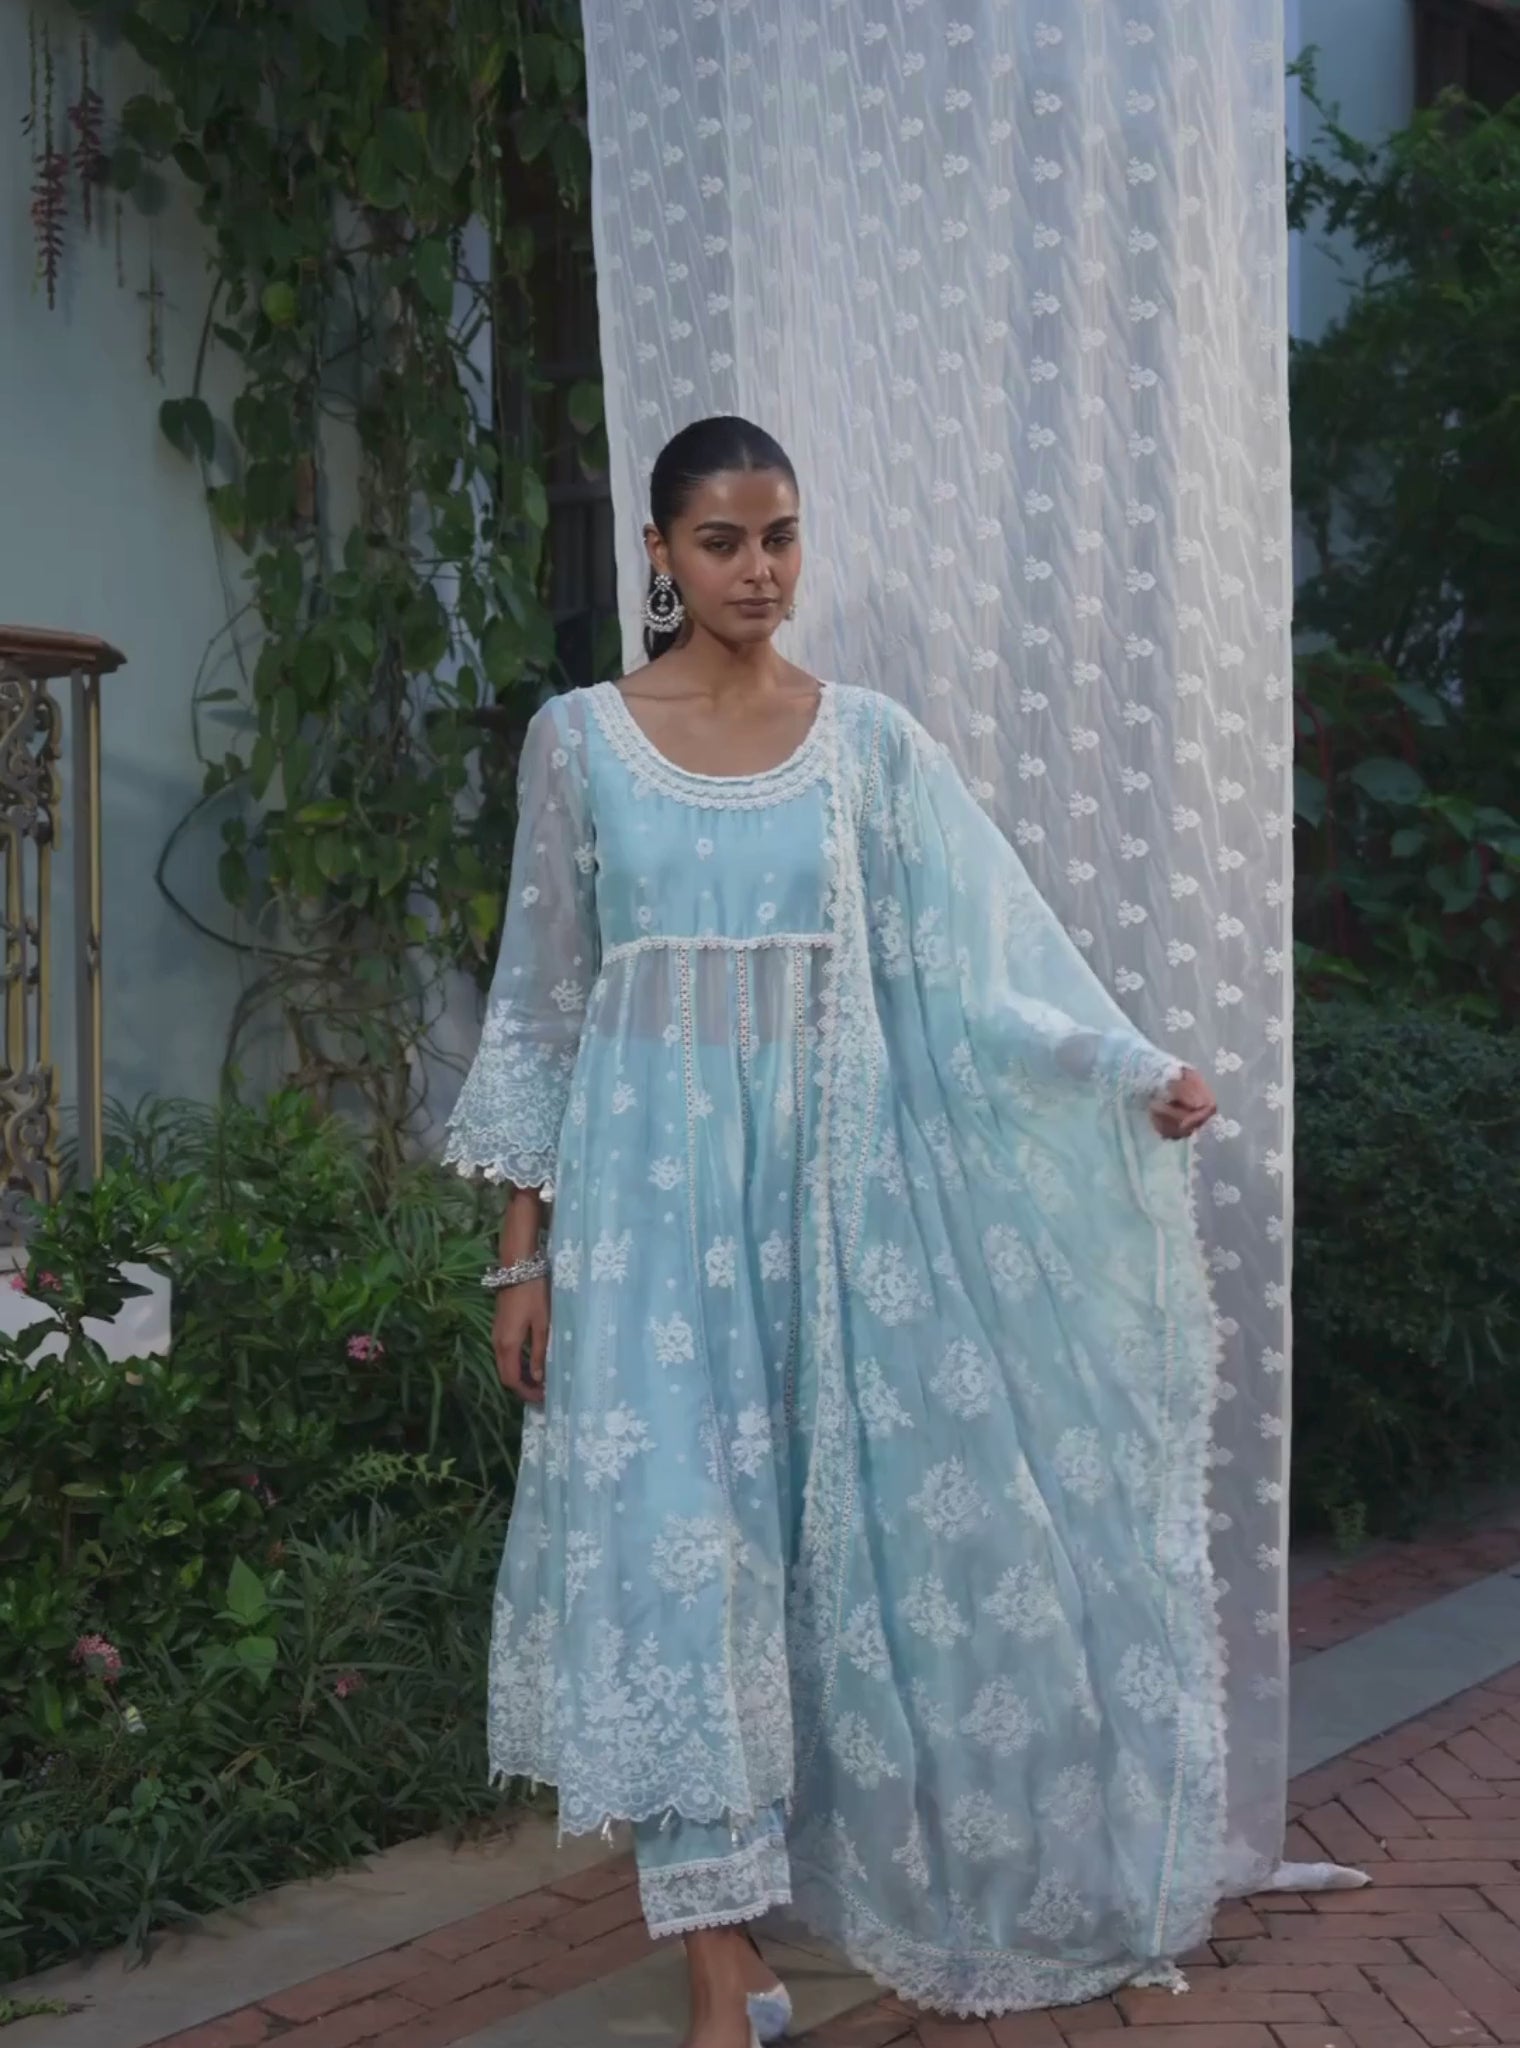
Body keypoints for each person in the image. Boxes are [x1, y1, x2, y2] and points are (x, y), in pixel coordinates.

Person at [445, 416, 1222, 2046]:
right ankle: (717, 1961)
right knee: (674, 1562)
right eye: (722, 542)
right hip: (646, 1227)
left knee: (808, 1560)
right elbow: (543, 1002)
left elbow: (975, 969)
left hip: (829, 1212)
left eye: (781, 536)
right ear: (659, 553)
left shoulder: (866, 748)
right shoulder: (580, 743)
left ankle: (771, 1920)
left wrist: (1122, 1069)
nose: (758, 571)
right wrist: (524, 1254)